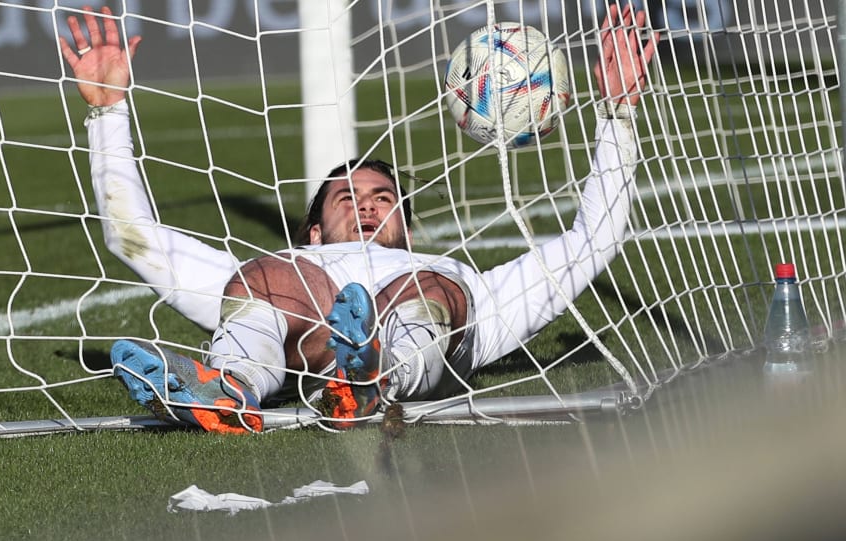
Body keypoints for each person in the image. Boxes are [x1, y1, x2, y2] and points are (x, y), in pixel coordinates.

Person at [59, 5, 658, 434]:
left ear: (407, 228)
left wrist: (619, 112)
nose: (367, 203)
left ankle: (372, 379)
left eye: (381, 195)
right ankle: (230, 387)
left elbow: (593, 238)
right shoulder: (293, 263)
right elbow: (131, 235)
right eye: (346, 197)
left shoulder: (452, 274)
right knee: (267, 279)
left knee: (426, 289)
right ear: (314, 231)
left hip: (418, 314)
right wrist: (108, 113)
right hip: (300, 314)